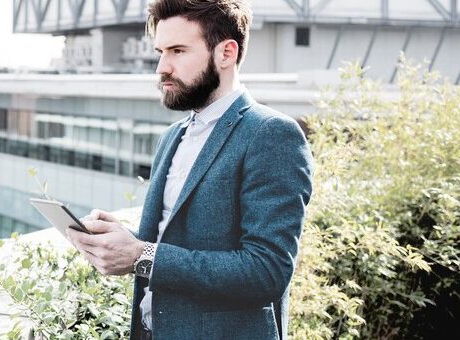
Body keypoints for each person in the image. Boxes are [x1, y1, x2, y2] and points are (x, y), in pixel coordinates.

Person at [65, 1, 314, 339]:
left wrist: (142, 255)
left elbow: (266, 271)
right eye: (160, 52)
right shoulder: (172, 137)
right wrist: (122, 241)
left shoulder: (270, 134)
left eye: (178, 51)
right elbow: (178, 241)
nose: (162, 68)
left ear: (226, 53)